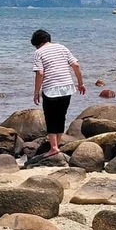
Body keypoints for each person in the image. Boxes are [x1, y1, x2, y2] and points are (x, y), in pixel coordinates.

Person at [30, 29, 85, 159]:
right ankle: (57, 146)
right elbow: (76, 66)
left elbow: (40, 73)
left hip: (51, 89)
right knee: (61, 116)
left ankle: (53, 148)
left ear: (37, 43)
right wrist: (80, 83)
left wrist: (36, 92)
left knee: (50, 117)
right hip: (67, 88)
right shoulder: (62, 48)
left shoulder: (38, 52)